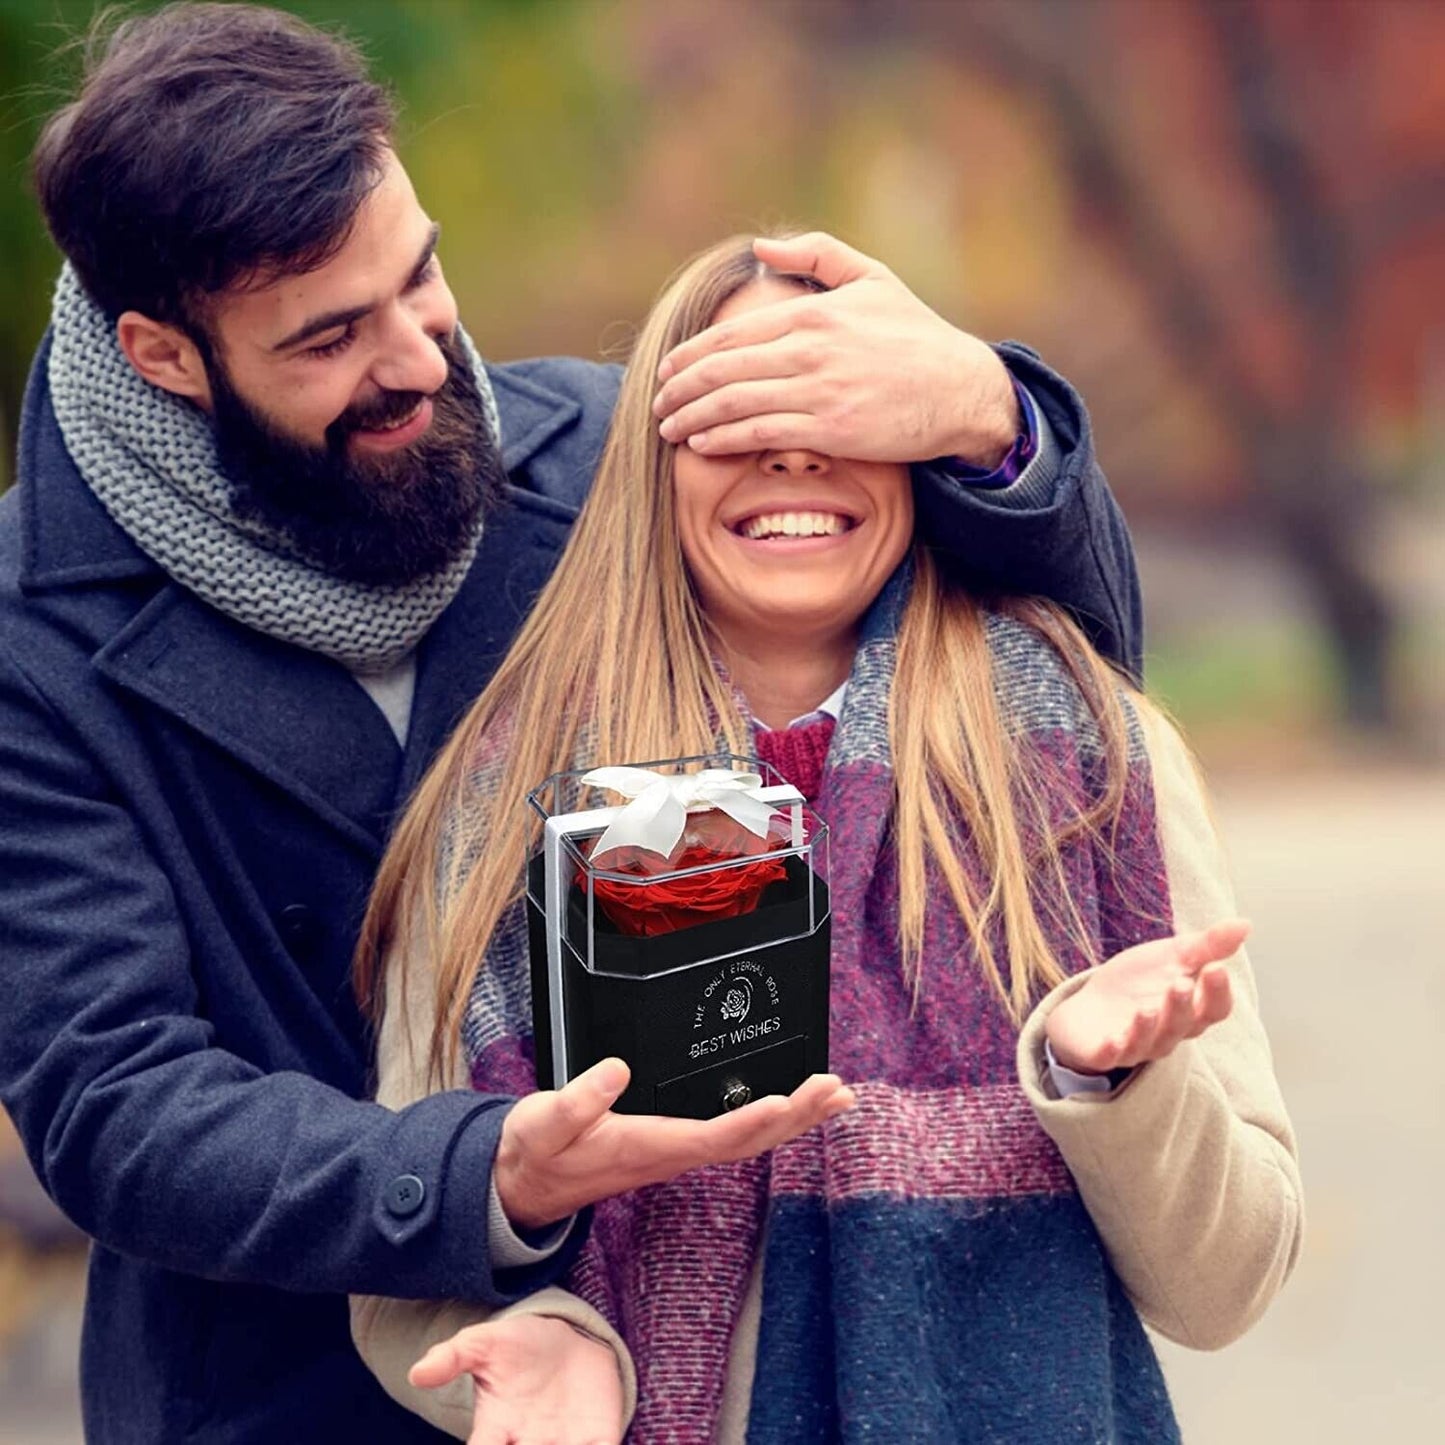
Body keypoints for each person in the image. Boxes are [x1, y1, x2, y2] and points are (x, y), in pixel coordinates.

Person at [0, 5, 1143, 1441]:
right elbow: (115, 1102)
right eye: (331, 337)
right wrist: (491, 1172)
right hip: (279, 1393)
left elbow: (1060, 698)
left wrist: (994, 421)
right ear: (167, 356)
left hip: (680, 1371)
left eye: (420, 278)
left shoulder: (603, 451)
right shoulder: (29, 642)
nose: (419, 356)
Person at [352, 238, 1303, 1444]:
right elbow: (398, 1235)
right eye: (732, 407)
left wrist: (1106, 1081)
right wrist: (549, 1336)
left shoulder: (1089, 753)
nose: (790, 448)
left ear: (917, 440)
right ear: (649, 461)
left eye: (831, 404)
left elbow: (1227, 1283)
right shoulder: (502, 802)